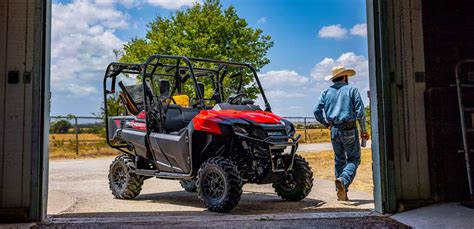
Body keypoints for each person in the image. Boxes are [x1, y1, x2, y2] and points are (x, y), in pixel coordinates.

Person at [313, 65, 370, 201]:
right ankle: (343, 180)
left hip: (334, 130)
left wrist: (326, 124)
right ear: (345, 77)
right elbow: (360, 112)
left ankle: (342, 192)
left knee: (339, 160)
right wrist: (363, 130)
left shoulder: (326, 92)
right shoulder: (352, 90)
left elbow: (316, 111)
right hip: (349, 128)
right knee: (354, 159)